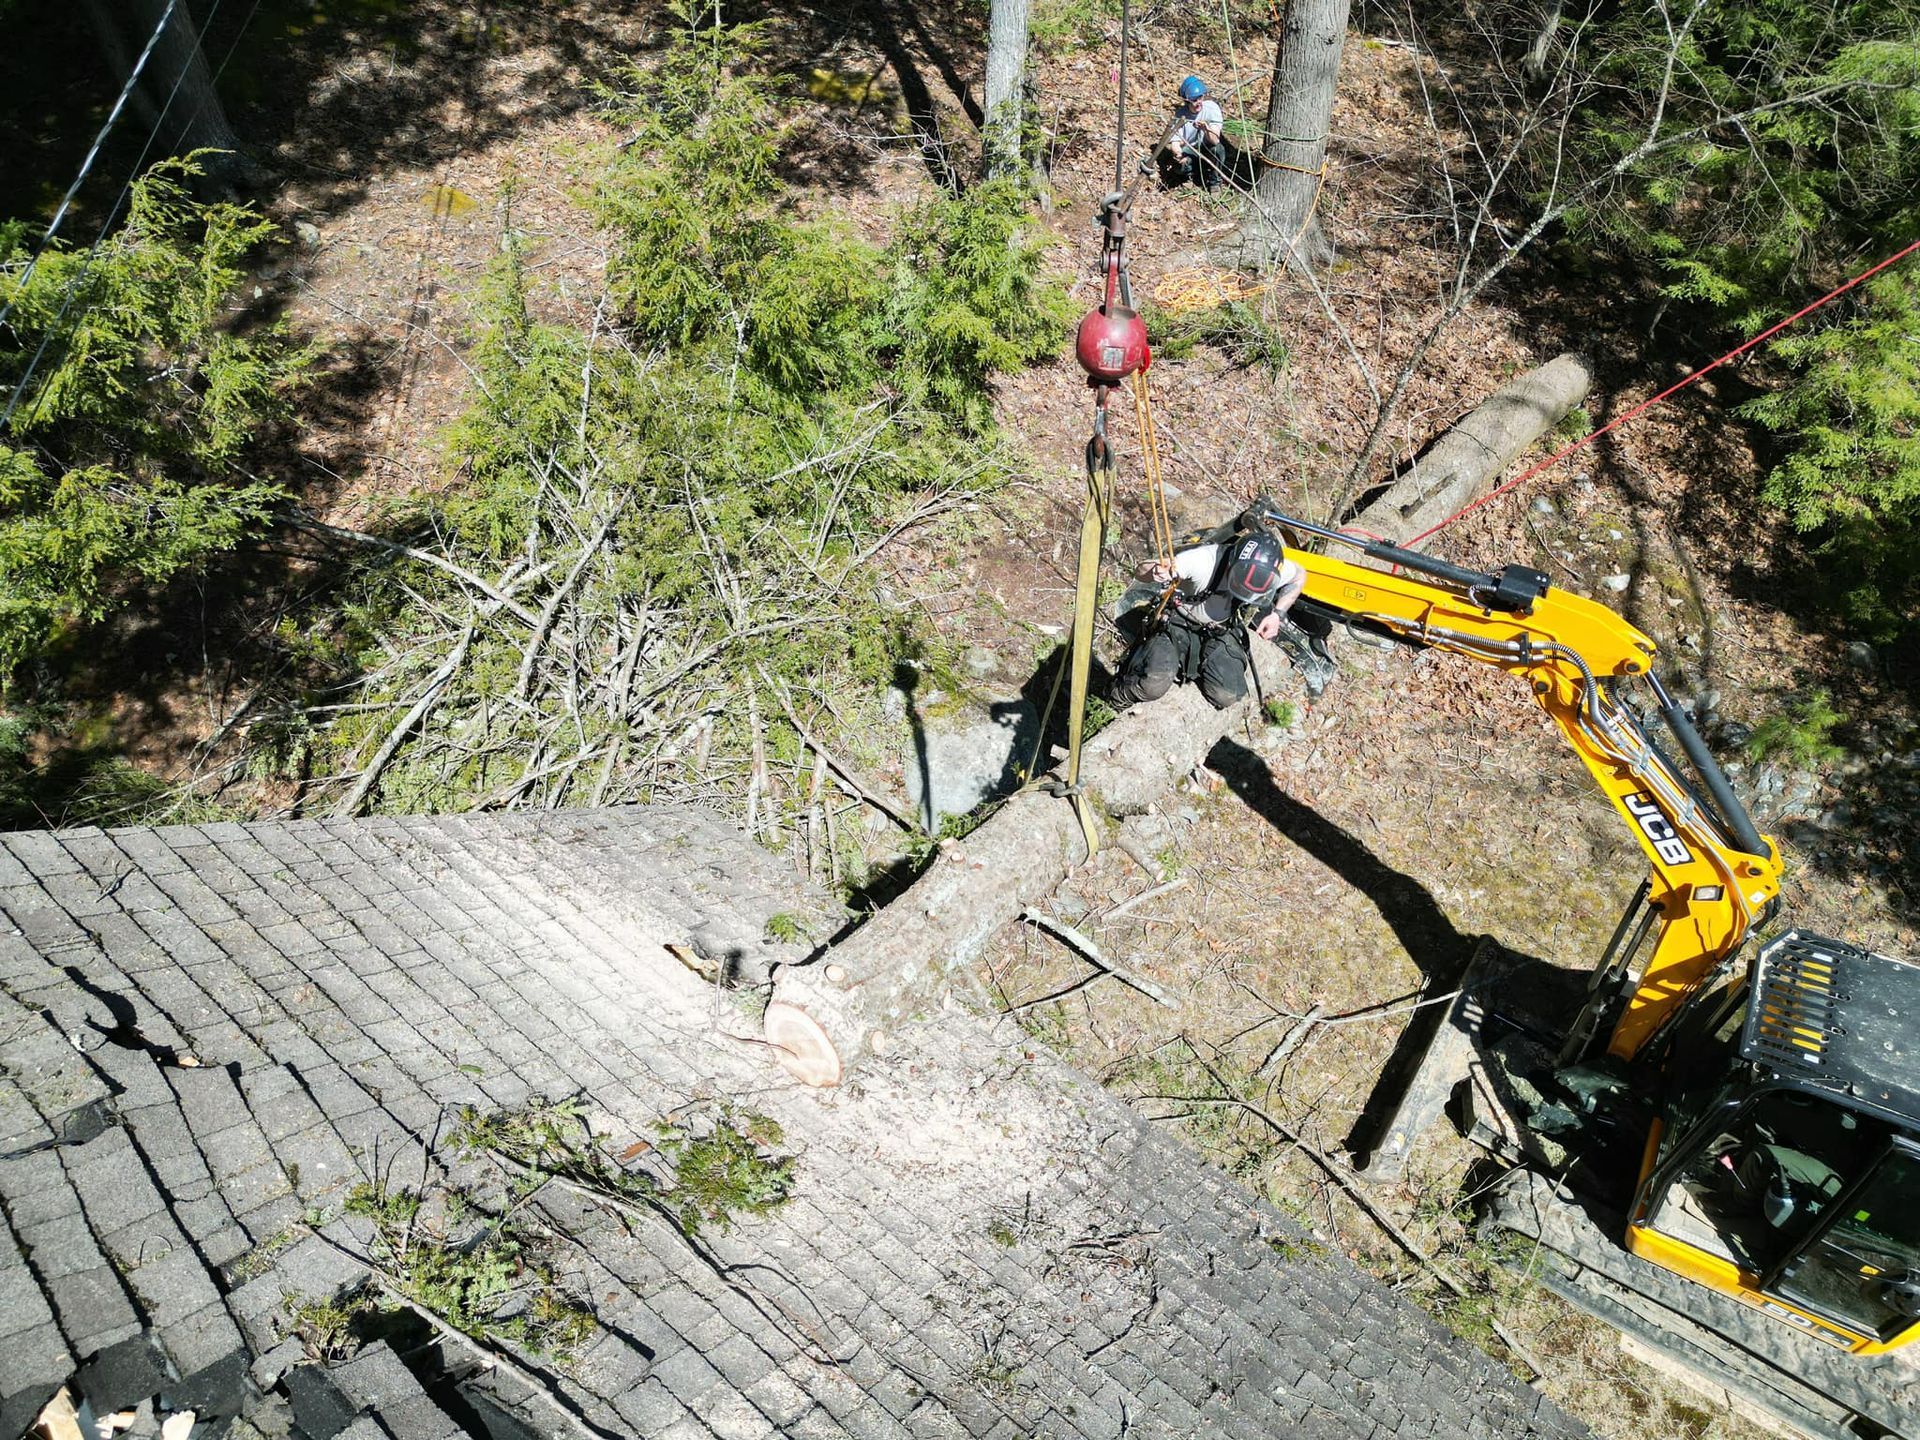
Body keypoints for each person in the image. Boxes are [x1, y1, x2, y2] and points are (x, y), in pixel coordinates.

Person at [1111, 517, 1332, 710]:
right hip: (1177, 622)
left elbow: (1299, 575)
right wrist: (1156, 570)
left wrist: (1277, 614)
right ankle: (1115, 698)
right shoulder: (1203, 561)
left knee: (1228, 695)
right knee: (1153, 685)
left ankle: (1198, 665)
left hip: (1219, 629)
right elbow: (1140, 572)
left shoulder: (1270, 567)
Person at [1157, 75, 1228, 192]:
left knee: (1218, 150)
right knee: (1180, 167)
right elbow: (1175, 143)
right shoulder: (1180, 116)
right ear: (1187, 101)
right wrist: (1179, 155)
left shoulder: (1212, 108)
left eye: (1200, 98)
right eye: (1194, 100)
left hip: (1207, 145)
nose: (1199, 103)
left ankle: (1214, 182)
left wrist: (1206, 129)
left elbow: (1215, 140)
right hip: (1189, 149)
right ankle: (1191, 174)